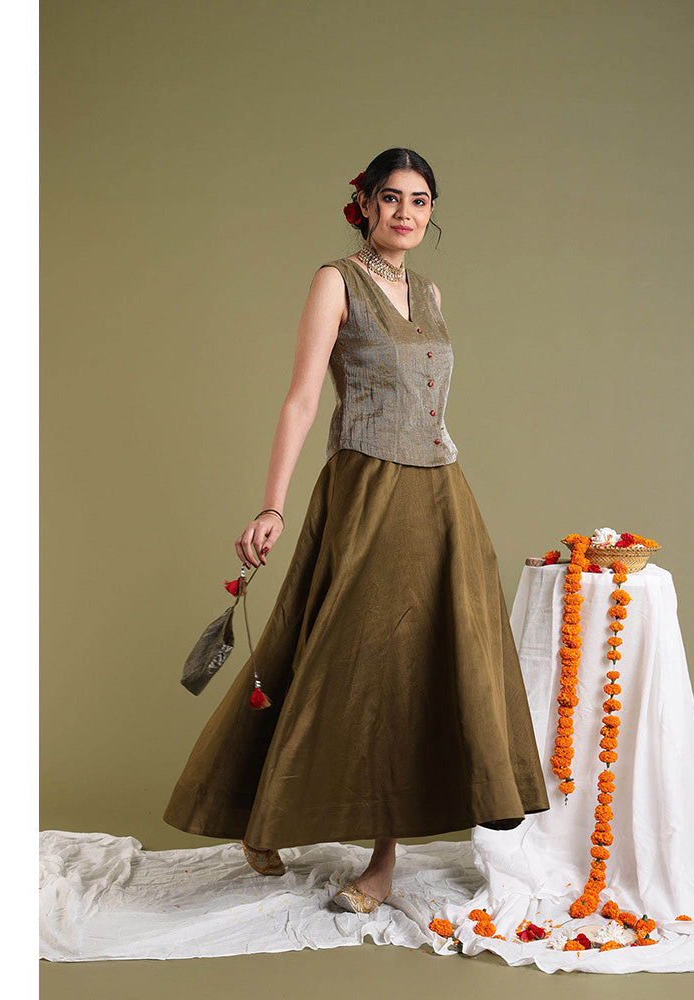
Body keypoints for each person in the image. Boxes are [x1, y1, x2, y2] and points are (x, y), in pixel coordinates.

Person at [163, 147, 550, 914]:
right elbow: (303, 400)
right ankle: (264, 811)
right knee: (334, 656)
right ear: (365, 205)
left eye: (420, 200)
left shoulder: (430, 293)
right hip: (367, 488)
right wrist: (272, 507)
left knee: (416, 668)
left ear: (430, 212)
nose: (405, 212)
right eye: (391, 197)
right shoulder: (336, 282)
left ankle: (382, 863)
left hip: (441, 495)